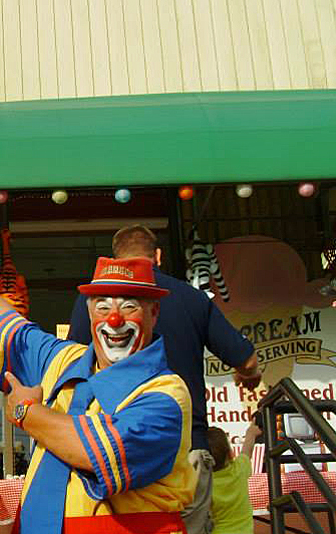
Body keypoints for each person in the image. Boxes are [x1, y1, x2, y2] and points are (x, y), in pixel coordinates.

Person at [0, 231, 196, 534]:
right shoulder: (67, 360)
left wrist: (26, 412)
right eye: (102, 307)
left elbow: (94, 452)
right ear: (89, 311)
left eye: (129, 306)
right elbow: (11, 328)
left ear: (154, 312)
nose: (114, 320)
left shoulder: (165, 393)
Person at [68, 225, 261, 534]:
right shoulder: (192, 298)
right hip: (186, 447)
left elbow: (74, 364)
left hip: (117, 445)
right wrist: (248, 373)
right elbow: (247, 359)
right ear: (157, 256)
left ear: (117, 258)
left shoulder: (93, 302)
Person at [208, 422, 261, 534]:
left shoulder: (204, 483)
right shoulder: (239, 469)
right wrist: (251, 433)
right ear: (230, 453)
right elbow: (247, 450)